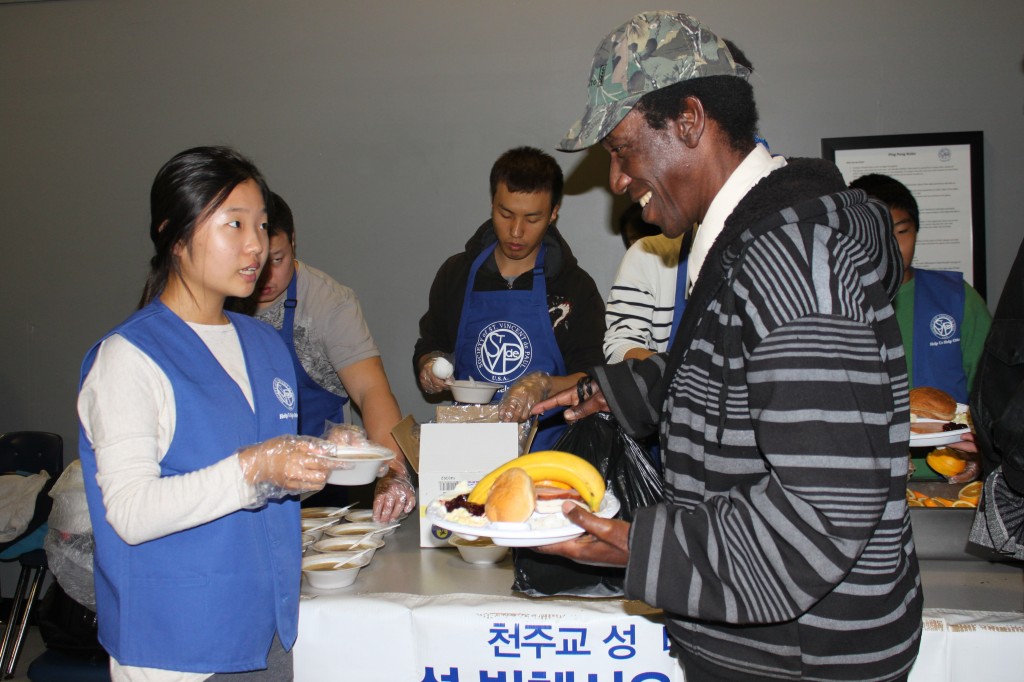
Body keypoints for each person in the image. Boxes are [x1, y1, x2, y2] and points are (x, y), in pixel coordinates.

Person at [532, 12, 921, 681]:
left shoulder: (791, 262)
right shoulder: (747, 246)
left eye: (621, 150)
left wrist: (638, 550)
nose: (617, 180)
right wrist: (615, 388)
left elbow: (824, 510)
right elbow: (741, 382)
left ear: (689, 120)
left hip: (803, 657)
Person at [78, 146, 349, 680]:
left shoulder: (264, 344)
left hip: (267, 624)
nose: (257, 246)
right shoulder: (129, 358)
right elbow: (130, 513)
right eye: (234, 224)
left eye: (263, 226)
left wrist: (312, 463)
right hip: (176, 644)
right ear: (174, 237)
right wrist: (252, 469)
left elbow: (268, 477)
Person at [413, 146, 605, 450]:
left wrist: (543, 384)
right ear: (492, 204)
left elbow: (593, 377)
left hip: (551, 452)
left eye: (532, 218)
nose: (516, 231)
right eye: (506, 214)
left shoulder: (574, 287)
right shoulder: (457, 275)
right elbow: (430, 345)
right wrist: (428, 367)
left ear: (554, 213)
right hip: (468, 450)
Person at [252, 192, 415, 522]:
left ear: (294, 242)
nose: (265, 276)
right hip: (245, 479)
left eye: (277, 260)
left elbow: (371, 391)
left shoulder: (329, 303)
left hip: (322, 488)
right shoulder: (220, 301)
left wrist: (394, 471)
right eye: (257, 260)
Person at [849, 173, 992, 403]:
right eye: (878, 235)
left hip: (949, 435)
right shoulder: (838, 301)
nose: (892, 246)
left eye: (902, 232)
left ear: (916, 230)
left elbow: (993, 388)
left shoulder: (956, 297)